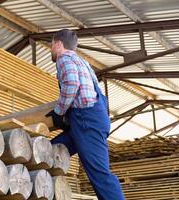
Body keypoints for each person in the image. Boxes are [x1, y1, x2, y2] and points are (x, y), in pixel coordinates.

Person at [46, 29, 125, 200]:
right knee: (48, 152)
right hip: (86, 121)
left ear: (59, 44)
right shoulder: (83, 62)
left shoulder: (64, 59)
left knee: (99, 174)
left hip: (86, 121)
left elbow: (72, 84)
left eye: (52, 44)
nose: (51, 48)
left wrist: (59, 112)